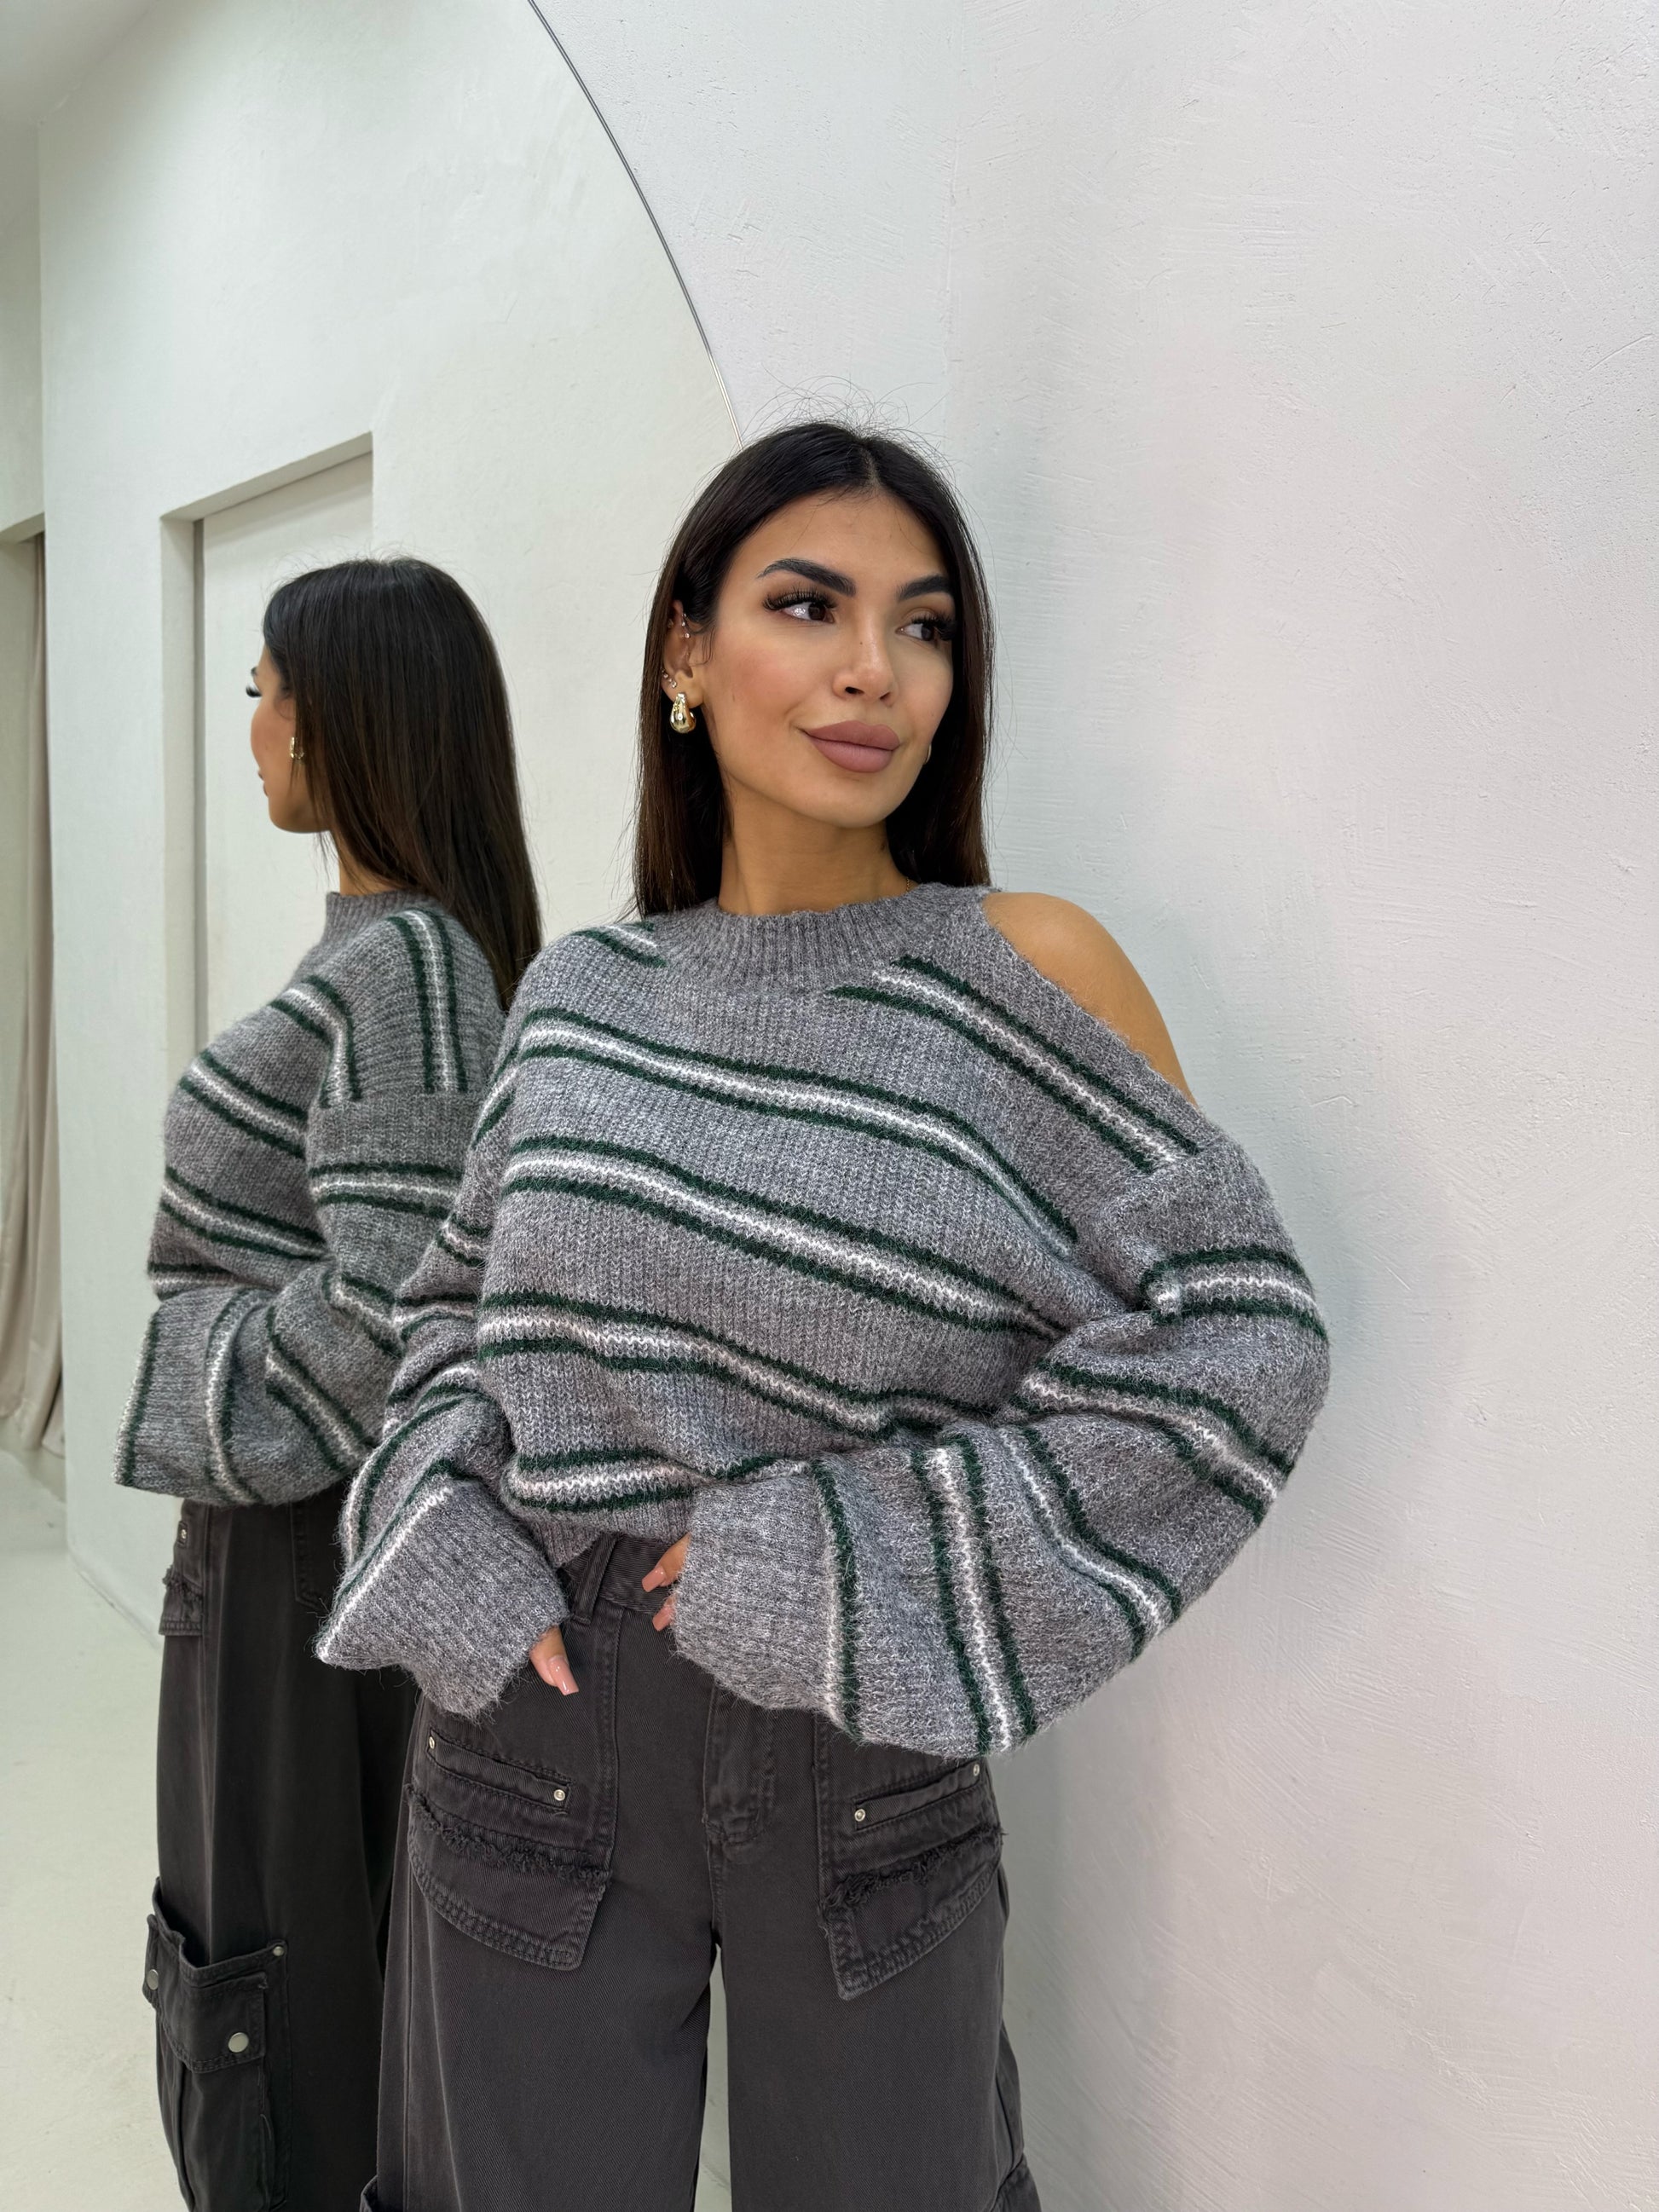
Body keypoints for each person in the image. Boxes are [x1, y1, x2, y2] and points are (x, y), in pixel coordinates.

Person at [321, 423, 1331, 2212]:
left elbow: (1237, 1345)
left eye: (922, 625)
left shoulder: (1021, 972)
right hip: (537, 1707)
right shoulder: (580, 992)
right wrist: (438, 1527)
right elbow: (449, 1310)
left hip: (859, 1731)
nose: (876, 667)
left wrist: (849, 1557)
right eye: (808, 605)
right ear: (686, 652)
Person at [116, 557, 540, 2212]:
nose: (253, 731)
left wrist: (182, 1362)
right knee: (255, 1979)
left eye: (263, 693)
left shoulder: (412, 968)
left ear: (339, 719)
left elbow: (388, 1324)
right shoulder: (388, 950)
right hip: (277, 1542)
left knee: (275, 2014)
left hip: (309, 1551)